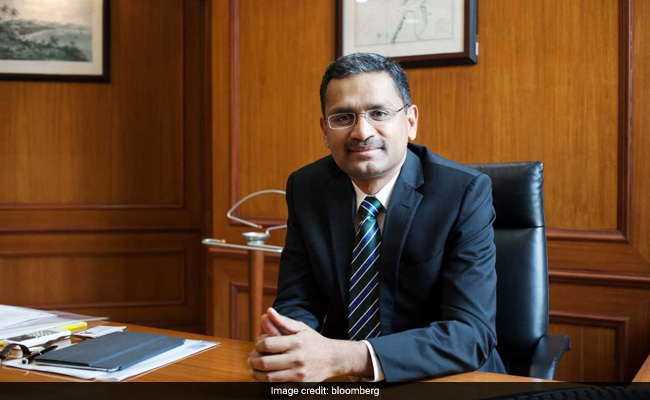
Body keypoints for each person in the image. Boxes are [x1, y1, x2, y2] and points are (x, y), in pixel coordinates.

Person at [247, 52, 506, 382]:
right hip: (341, 381)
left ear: (410, 121)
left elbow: (471, 333)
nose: (361, 132)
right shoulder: (306, 188)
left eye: (379, 113)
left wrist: (347, 357)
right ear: (325, 131)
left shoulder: (463, 193)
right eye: (343, 117)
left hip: (446, 381)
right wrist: (287, 345)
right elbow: (298, 299)